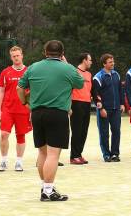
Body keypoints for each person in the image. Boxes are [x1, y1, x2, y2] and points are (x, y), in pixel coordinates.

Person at [17, 40, 83, 202]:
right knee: (53, 154)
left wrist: (26, 103)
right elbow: (80, 83)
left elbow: (20, 87)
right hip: (57, 114)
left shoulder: (33, 67)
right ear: (62, 54)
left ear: (45, 52)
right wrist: (67, 64)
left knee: (42, 152)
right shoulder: (67, 68)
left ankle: (45, 187)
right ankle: (48, 190)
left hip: (37, 114)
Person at [0, 46, 32, 172]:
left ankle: (19, 162)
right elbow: (1, 91)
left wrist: (32, 108)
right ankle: (4, 161)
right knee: (4, 134)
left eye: (18, 55)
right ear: (11, 57)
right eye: (14, 56)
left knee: (20, 136)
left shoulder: (29, 71)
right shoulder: (6, 72)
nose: (16, 58)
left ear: (22, 55)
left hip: (23, 110)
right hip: (8, 109)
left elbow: (34, 91)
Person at [92, 54, 125, 162]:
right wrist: (101, 109)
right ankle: (106, 154)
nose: (112, 63)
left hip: (116, 110)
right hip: (104, 110)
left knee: (116, 131)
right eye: (110, 62)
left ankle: (115, 154)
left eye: (113, 61)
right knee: (104, 133)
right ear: (104, 64)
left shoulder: (116, 75)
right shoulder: (98, 77)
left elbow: (120, 91)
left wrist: (122, 104)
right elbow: (96, 95)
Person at [70, 53, 93, 165]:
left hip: (87, 104)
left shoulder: (89, 74)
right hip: (76, 104)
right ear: (84, 60)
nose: (91, 62)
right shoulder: (74, 72)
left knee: (84, 131)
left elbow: (91, 90)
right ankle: (73, 156)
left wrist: (97, 100)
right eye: (89, 60)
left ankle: (79, 154)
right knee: (76, 130)